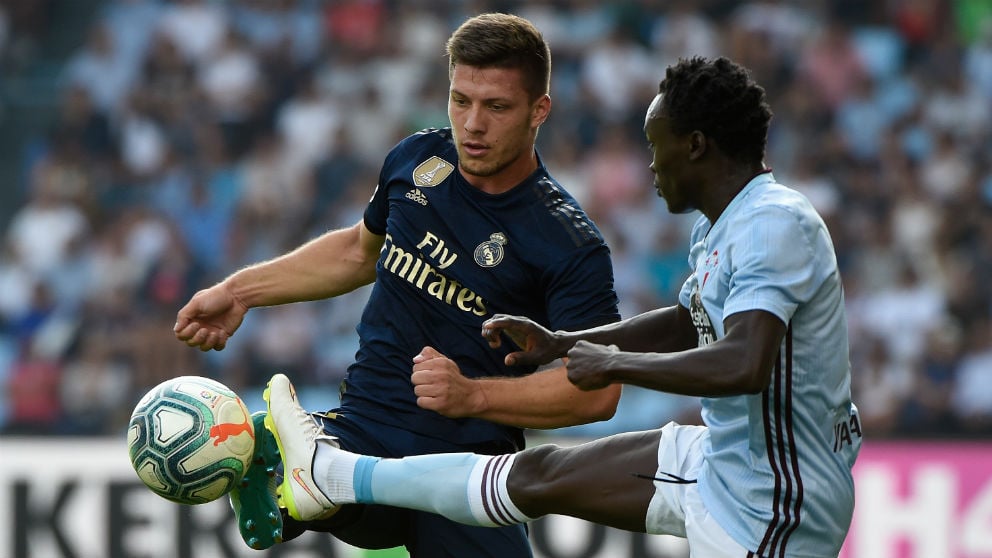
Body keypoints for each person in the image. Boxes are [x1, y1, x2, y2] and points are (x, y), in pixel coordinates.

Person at [258, 56, 862, 558]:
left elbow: (744, 363)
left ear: (697, 147)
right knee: (535, 478)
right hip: (720, 457)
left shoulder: (773, 223)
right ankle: (328, 474)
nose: (651, 165)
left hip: (776, 499)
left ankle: (329, 474)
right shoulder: (721, 226)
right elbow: (689, 322)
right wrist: (565, 343)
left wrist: (612, 364)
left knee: (532, 477)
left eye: (658, 147)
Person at [173, 13, 622, 557]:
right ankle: (288, 463)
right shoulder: (417, 159)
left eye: (497, 107)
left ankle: (296, 468)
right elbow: (357, 251)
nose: (473, 124)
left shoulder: (568, 241)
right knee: (302, 458)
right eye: (461, 100)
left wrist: (472, 394)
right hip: (365, 430)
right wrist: (241, 291)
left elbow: (597, 392)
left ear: (539, 111)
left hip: (467, 467)